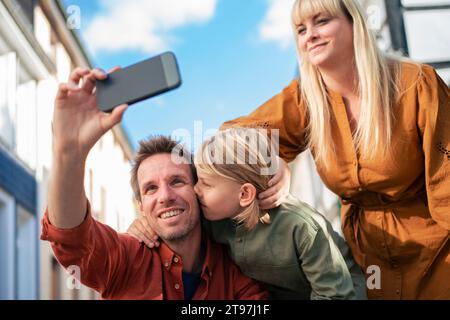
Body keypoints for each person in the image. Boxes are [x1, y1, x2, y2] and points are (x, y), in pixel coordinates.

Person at [218, 0, 450, 299]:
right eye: (301, 29)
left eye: (321, 21)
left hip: (437, 251)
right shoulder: (305, 100)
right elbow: (231, 137)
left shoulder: (416, 84)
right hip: (367, 256)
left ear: (354, 24)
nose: (309, 35)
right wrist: (272, 158)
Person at [40, 67, 268, 300]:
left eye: (177, 181)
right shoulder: (126, 258)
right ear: (141, 206)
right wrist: (69, 152)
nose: (165, 196)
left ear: (198, 191)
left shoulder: (237, 270)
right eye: (151, 188)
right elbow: (71, 238)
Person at [128, 128, 368, 299]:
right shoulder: (215, 218)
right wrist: (143, 225)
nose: (195, 190)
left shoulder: (301, 227)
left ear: (244, 195)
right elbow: (172, 221)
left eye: (206, 184)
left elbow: (335, 292)